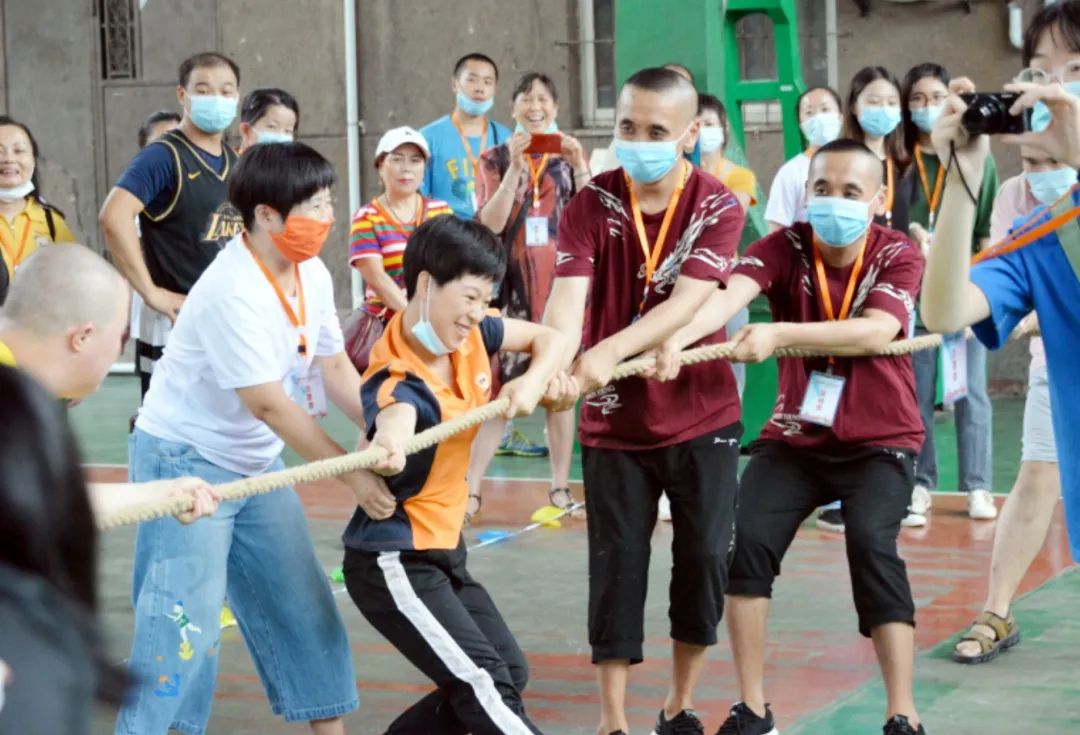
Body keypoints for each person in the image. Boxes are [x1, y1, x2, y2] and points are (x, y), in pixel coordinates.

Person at [653, 138, 927, 735]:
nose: (834, 201)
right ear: (806, 194)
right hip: (797, 438)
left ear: (878, 200)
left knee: (872, 547)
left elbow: (878, 330)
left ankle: (902, 712)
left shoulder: (898, 253)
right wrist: (676, 336)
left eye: (850, 192)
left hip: (880, 438)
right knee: (743, 543)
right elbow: (728, 296)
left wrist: (778, 335)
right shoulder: (782, 246)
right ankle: (753, 708)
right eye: (822, 189)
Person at [114, 143, 371, 734]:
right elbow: (269, 404)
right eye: (313, 205)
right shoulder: (232, 288)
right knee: (183, 626)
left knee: (305, 609)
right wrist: (352, 473)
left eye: (329, 201)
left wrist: (382, 431)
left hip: (256, 463)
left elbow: (332, 368)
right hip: (184, 459)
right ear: (265, 215)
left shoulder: (311, 271)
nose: (326, 216)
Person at [546, 67, 745, 735]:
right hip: (613, 423)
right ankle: (612, 720)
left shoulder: (718, 205)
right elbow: (566, 306)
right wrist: (551, 366)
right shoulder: (589, 205)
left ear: (690, 134)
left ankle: (677, 703)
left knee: (705, 561)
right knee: (617, 567)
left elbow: (692, 298)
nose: (639, 141)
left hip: (702, 414)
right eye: (627, 127)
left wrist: (609, 353)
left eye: (657, 131)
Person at [343, 215, 571, 735]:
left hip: (445, 549)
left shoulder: (471, 335)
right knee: (482, 681)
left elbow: (550, 339)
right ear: (426, 284)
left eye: (486, 299)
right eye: (469, 297)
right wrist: (389, 445)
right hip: (394, 559)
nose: (479, 313)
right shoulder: (397, 374)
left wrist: (531, 383)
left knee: (508, 671)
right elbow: (394, 418)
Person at [923, 0, 1080, 643]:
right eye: (1040, 73)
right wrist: (961, 178)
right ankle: (997, 605)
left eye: (1073, 71)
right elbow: (945, 310)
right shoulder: (1041, 233)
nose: (1052, 90)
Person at [0, 244, 219, 521]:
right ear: (82, 337)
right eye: (119, 337)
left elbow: (52, 497)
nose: (118, 350)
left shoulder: (19, 396)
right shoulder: (11, 405)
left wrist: (164, 492)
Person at [951, 145, 1067, 664]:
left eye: (1050, 161)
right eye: (1030, 161)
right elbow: (998, 277)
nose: (1038, 176)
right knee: (1038, 473)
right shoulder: (1016, 198)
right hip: (1059, 362)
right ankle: (997, 609)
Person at [467, 71, 591, 520]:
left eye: (543, 99)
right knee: (499, 394)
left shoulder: (566, 159)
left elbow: (593, 217)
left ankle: (559, 488)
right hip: (513, 292)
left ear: (555, 108)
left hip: (563, 293)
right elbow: (490, 224)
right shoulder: (495, 158)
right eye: (525, 99)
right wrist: (516, 171)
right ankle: (472, 490)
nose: (535, 106)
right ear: (513, 107)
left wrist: (579, 165)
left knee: (560, 393)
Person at [100, 52, 244, 400]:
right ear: (183, 96)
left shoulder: (235, 161)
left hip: (225, 316)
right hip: (175, 323)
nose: (217, 99)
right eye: (204, 90)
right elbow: (113, 217)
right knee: (173, 432)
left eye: (227, 91)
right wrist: (150, 292)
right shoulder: (162, 156)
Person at [900, 63, 1000, 526]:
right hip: (915, 298)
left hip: (965, 292)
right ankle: (921, 483)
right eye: (917, 98)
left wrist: (978, 293)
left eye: (935, 96)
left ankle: (978, 486)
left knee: (970, 392)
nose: (926, 106)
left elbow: (985, 234)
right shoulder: (901, 163)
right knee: (917, 393)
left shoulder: (979, 157)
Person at [346, 127, 451, 373]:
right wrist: (417, 323)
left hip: (437, 323)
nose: (407, 168)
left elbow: (453, 268)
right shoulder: (366, 217)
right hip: (389, 327)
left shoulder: (441, 212)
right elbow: (378, 279)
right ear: (381, 165)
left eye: (415, 160)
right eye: (397, 159)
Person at [420, 52, 512, 219]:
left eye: (487, 82)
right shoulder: (428, 138)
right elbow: (417, 200)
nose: (480, 88)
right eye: (472, 79)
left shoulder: (506, 138)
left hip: (493, 237)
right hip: (446, 236)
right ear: (455, 84)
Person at [130, 110, 182, 397]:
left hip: (198, 316)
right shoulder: (136, 199)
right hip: (156, 321)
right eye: (161, 144)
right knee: (156, 398)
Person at [0, 116, 77, 277]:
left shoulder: (51, 221)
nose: (8, 159)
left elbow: (71, 278)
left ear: (33, 160)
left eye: (18, 151)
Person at [765, 85, 844, 232]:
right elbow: (776, 232)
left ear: (840, 117)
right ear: (802, 125)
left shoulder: (856, 166)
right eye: (809, 112)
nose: (818, 117)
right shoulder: (790, 173)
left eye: (825, 109)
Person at [697, 93, 758, 212]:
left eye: (708, 124)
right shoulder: (675, 173)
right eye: (695, 125)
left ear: (725, 127)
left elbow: (732, 219)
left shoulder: (741, 176)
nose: (701, 130)